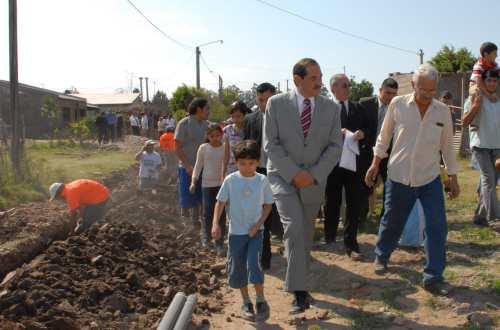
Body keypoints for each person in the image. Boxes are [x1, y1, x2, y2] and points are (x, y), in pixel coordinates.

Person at [365, 63, 459, 295]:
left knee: (437, 225)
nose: (427, 95)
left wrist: (453, 177)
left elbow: (447, 147)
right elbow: (384, 137)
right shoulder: (398, 104)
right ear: (413, 85)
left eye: (432, 90)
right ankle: (382, 255)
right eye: (423, 90)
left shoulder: (442, 111)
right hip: (399, 176)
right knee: (393, 220)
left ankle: (433, 276)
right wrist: (375, 164)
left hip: (429, 178)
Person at [263, 58, 342, 314]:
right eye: (313, 78)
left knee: (304, 234)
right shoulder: (276, 104)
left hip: (314, 181)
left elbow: (334, 147)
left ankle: (299, 280)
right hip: (283, 178)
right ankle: (299, 291)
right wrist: (294, 173)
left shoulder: (331, 108)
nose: (319, 83)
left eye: (320, 77)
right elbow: (271, 145)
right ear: (297, 80)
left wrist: (314, 174)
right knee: (295, 227)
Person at [212, 140, 274, 322]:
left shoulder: (262, 180)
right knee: (237, 266)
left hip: (256, 232)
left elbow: (268, 205)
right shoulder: (231, 180)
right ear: (236, 162)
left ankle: (261, 300)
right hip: (236, 233)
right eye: (242, 163)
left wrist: (258, 224)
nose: (247, 167)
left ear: (257, 162)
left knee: (254, 264)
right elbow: (220, 202)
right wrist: (215, 223)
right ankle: (246, 301)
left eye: (251, 163)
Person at [324, 74, 373, 259]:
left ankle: (351, 242)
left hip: (354, 163)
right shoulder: (326, 109)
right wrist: (337, 133)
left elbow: (370, 130)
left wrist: (362, 134)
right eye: (344, 85)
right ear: (333, 89)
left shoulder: (358, 108)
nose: (348, 88)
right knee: (331, 201)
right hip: (332, 164)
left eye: (349, 85)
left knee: (353, 204)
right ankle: (329, 237)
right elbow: (318, 133)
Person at [243, 82, 282, 270]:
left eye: (268, 99)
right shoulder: (250, 119)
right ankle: (263, 257)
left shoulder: (285, 118)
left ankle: (289, 248)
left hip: (280, 171)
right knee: (260, 213)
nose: (264, 103)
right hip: (258, 171)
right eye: (260, 100)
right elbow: (246, 147)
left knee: (279, 211)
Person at [462, 69, 500, 226]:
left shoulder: (498, 100)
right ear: (483, 82)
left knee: (492, 181)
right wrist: (475, 106)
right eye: (489, 80)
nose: (492, 83)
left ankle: (479, 217)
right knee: (488, 181)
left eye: (494, 81)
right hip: (480, 146)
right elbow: (464, 122)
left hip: (497, 147)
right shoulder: (474, 98)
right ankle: (495, 218)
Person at [359, 78, 399, 221]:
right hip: (367, 152)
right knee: (365, 185)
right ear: (380, 90)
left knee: (390, 185)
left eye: (394, 94)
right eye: (387, 93)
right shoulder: (365, 104)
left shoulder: (398, 108)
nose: (390, 97)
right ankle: (362, 217)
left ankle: (385, 216)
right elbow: (360, 125)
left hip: (388, 153)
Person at [190, 123, 226, 254]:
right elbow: (198, 166)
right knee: (207, 212)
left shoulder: (225, 148)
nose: (215, 138)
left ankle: (219, 242)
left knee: (221, 214)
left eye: (218, 135)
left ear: (222, 135)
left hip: (222, 185)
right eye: (212, 136)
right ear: (208, 136)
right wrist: (193, 182)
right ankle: (206, 238)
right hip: (206, 185)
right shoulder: (203, 148)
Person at [174, 97, 209, 229]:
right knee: (187, 195)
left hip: (203, 167)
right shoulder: (184, 124)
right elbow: (177, 147)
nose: (208, 111)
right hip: (187, 167)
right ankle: (185, 222)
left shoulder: (207, 125)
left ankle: (197, 222)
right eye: (207, 109)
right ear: (199, 109)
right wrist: (188, 165)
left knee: (200, 196)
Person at [469, 42, 499, 130]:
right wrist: (489, 95)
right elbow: (478, 82)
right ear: (486, 54)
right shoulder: (479, 65)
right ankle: (474, 122)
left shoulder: (495, 65)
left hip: (488, 85)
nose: (497, 55)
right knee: (476, 93)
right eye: (494, 53)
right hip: (476, 85)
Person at [223, 101, 248, 176]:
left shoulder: (250, 129)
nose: (235, 120)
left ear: (245, 115)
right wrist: (223, 172)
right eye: (232, 117)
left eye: (238, 116)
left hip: (247, 170)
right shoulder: (227, 130)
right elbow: (226, 154)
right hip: (231, 171)